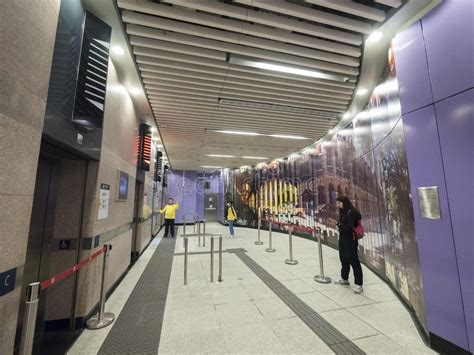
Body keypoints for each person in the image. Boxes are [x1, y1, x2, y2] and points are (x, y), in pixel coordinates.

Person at [334, 195, 363, 293]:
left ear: (344, 203)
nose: (337, 205)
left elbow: (349, 227)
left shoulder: (352, 212)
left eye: (339, 203)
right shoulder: (343, 212)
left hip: (351, 239)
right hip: (343, 238)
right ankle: (344, 279)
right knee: (343, 258)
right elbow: (343, 226)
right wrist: (338, 224)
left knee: (354, 260)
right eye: (337, 203)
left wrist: (340, 226)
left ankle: (359, 284)